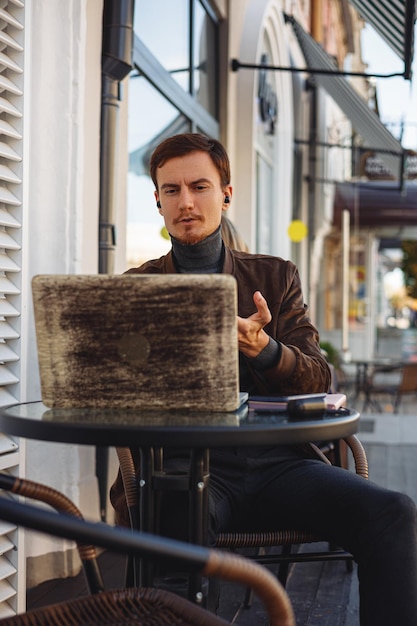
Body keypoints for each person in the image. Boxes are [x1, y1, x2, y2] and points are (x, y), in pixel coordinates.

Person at [111, 133, 417, 626]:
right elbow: (112, 392)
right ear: (158, 201)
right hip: (185, 468)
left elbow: (320, 377)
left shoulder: (275, 277)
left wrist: (266, 350)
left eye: (200, 186)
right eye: (172, 190)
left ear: (226, 193)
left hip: (281, 463)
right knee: (172, 520)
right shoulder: (138, 288)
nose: (186, 202)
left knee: (394, 512)